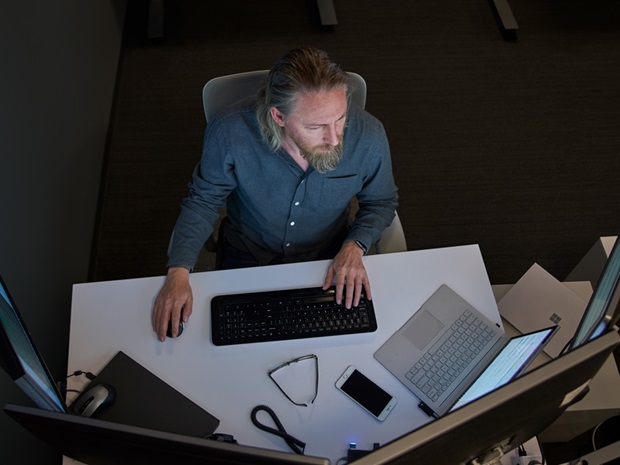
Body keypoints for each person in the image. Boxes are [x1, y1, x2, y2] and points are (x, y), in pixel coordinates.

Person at [153, 47, 398, 341]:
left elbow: (381, 202)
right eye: (316, 126)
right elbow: (204, 200)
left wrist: (355, 245)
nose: (334, 138)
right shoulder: (229, 132)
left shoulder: (369, 135)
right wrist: (178, 271)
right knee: (232, 342)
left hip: (329, 254)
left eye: (340, 118)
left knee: (339, 341)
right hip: (248, 249)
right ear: (279, 116)